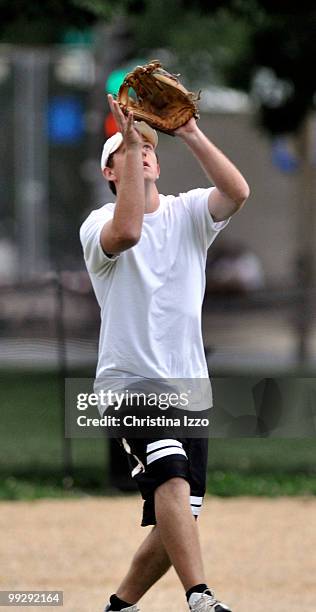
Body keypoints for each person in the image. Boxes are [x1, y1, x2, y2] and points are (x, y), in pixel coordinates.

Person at [80, 94, 250, 612]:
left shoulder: (188, 213)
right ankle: (200, 597)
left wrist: (192, 133)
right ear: (111, 173)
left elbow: (237, 191)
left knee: (180, 516)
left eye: (149, 148)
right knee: (172, 477)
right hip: (130, 384)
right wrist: (127, 142)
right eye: (128, 151)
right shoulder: (98, 224)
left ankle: (121, 605)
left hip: (189, 387)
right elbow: (128, 231)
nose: (142, 152)